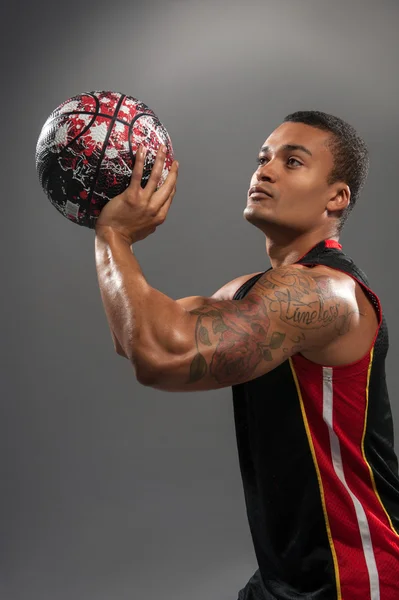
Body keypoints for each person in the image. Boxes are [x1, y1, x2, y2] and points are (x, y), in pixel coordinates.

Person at [94, 111, 399, 599]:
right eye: (263, 158)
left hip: (354, 575)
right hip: (284, 576)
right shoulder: (253, 293)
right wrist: (104, 213)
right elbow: (137, 333)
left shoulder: (325, 294)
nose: (266, 170)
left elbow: (158, 355)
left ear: (336, 197)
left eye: (292, 161)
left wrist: (114, 238)